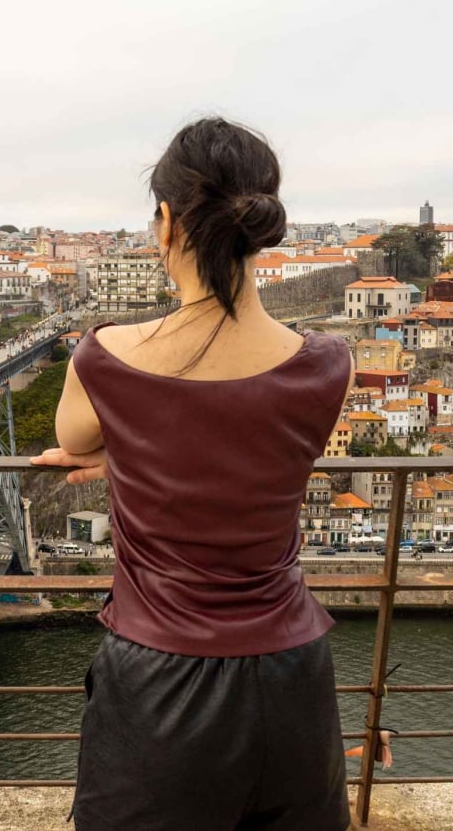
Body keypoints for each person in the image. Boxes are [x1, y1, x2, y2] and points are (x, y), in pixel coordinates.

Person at [31, 119, 354, 831]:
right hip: (294, 677)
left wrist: (124, 449)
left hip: (161, 683)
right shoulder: (327, 365)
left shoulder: (107, 359)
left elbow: (72, 437)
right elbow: (257, 440)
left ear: (169, 221)